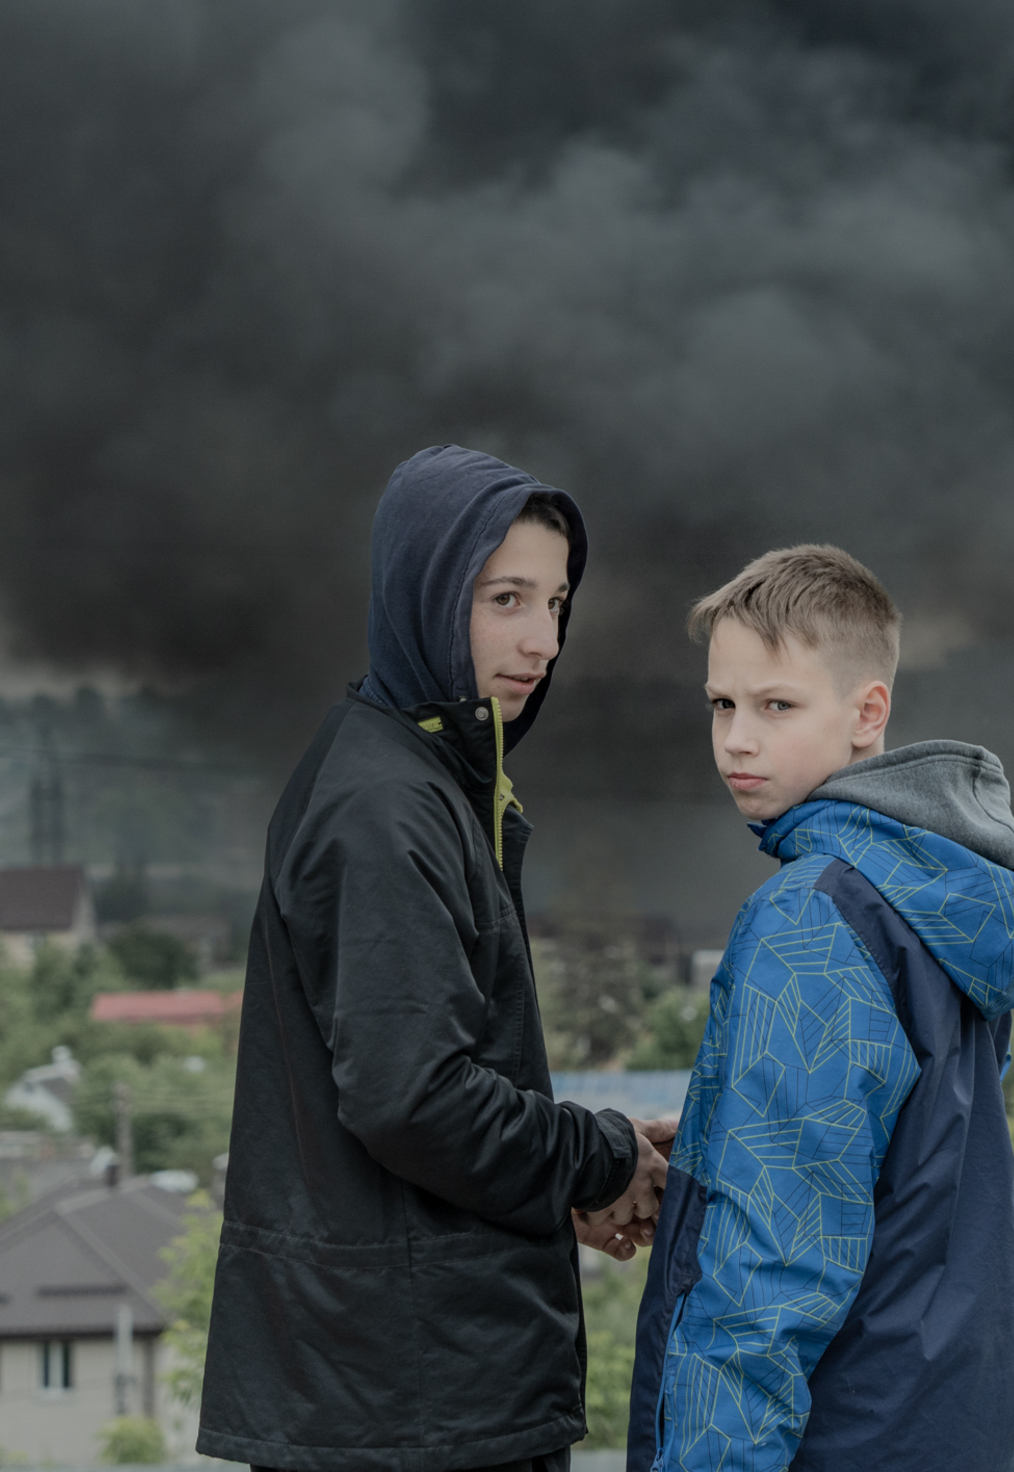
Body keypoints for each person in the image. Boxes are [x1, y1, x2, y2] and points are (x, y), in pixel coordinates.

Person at [200, 445, 671, 1472]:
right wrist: (597, 1157)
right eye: (505, 598)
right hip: (410, 1412)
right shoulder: (385, 807)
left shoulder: (415, 777)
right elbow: (415, 1101)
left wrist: (561, 1180)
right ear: (422, 589)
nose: (541, 639)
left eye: (555, 602)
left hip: (402, 1390)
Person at [626, 545, 1014, 1472]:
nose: (738, 738)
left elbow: (771, 1271)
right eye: (722, 704)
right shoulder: (942, 894)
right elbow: (903, 1161)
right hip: (938, 1422)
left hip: (836, 1435)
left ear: (869, 712)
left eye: (777, 705)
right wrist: (713, 1143)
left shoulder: (810, 917)